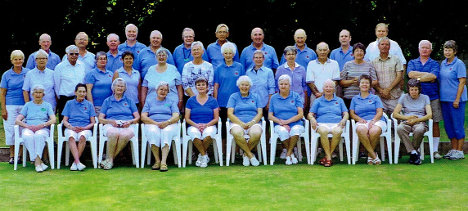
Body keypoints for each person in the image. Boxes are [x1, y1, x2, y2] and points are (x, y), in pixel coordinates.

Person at [407, 40, 442, 159]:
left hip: (432, 96)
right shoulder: (412, 62)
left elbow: (434, 76)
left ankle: (435, 150)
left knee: (435, 122)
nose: (425, 50)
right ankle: (418, 150)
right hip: (416, 98)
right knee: (418, 123)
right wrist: (426, 76)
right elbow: (410, 74)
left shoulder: (435, 63)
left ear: (431, 50)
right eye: (423, 47)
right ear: (419, 49)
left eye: (427, 48)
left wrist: (418, 79)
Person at [98, 78, 140, 169]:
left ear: (125, 89)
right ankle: (110, 160)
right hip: (111, 124)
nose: (120, 88)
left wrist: (130, 122)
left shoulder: (129, 101)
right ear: (113, 88)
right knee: (114, 133)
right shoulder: (107, 101)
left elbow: (137, 117)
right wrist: (110, 122)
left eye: (122, 86)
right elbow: (100, 118)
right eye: (118, 86)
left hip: (127, 124)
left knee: (124, 135)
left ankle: (109, 160)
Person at [15, 85, 56, 172]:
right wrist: (27, 126)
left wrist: (43, 125)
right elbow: (18, 120)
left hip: (42, 128)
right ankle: (39, 162)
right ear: (32, 94)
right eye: (36, 92)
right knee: (27, 136)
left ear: (43, 94)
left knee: (39, 136)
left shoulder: (47, 105)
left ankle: (36, 161)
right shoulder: (28, 105)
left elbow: (53, 119)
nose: (38, 94)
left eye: (40, 92)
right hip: (29, 128)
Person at [308, 79, 349, 167]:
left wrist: (344, 119)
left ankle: (327, 157)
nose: (328, 89)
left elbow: (346, 113)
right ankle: (329, 157)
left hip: (336, 123)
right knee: (323, 131)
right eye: (326, 87)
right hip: (322, 123)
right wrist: (312, 119)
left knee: (337, 132)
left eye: (331, 87)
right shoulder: (318, 101)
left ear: (334, 89)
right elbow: (310, 114)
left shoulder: (339, 100)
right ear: (323, 89)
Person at [141, 82, 180, 172]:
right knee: (153, 132)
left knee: (166, 132)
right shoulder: (149, 102)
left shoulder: (170, 102)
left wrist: (167, 122)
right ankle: (157, 161)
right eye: (161, 89)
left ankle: (163, 162)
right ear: (156, 90)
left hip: (169, 124)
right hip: (153, 124)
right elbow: (143, 117)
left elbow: (176, 116)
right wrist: (155, 123)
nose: (163, 91)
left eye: (166, 90)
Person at [349, 75, 386, 165]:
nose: (364, 85)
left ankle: (370, 155)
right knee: (361, 130)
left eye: (367, 83)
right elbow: (352, 113)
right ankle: (374, 155)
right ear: (359, 85)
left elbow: (380, 112)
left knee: (374, 131)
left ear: (370, 85)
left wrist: (373, 121)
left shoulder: (375, 97)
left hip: (377, 120)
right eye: (362, 82)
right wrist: (359, 119)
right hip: (362, 121)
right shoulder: (355, 99)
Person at [439, 40, 467, 160]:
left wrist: (457, 99)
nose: (447, 52)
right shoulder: (443, 63)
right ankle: (454, 149)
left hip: (456, 101)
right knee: (449, 126)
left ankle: (460, 151)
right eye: (446, 50)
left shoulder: (459, 63)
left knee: (457, 125)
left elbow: (462, 82)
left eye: (450, 50)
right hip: (444, 99)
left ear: (454, 51)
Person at [393, 79, 432, 165]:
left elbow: (429, 115)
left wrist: (416, 120)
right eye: (411, 89)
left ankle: (412, 153)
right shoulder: (404, 97)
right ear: (408, 90)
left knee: (419, 130)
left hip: (419, 121)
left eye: (416, 89)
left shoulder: (425, 98)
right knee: (399, 128)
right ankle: (414, 153)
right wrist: (407, 117)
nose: (414, 92)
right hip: (407, 121)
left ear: (419, 90)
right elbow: (395, 114)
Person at [1, 50, 30, 164]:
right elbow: (2, 93)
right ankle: (12, 155)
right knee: (11, 130)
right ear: (11, 60)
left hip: (24, 105)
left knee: (22, 130)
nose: (18, 61)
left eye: (20, 59)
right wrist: (3, 109)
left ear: (23, 60)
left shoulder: (28, 72)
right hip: (10, 105)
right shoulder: (6, 74)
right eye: (15, 59)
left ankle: (20, 155)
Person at [226, 76, 262, 166]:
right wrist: (241, 123)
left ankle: (245, 155)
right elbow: (230, 114)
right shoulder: (233, 97)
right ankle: (250, 155)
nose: (244, 87)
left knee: (257, 133)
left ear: (250, 86)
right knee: (237, 133)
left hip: (253, 123)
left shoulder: (256, 96)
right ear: (239, 86)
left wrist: (252, 122)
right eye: (242, 85)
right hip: (237, 123)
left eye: (247, 85)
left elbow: (260, 113)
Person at [269, 74, 304, 165]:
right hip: (279, 124)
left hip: (295, 123)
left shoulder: (295, 96)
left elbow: (300, 114)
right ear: (278, 85)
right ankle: (291, 154)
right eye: (281, 84)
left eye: (286, 84)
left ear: (290, 85)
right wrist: (282, 123)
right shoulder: (273, 98)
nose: (283, 86)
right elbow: (270, 116)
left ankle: (288, 154)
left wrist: (287, 122)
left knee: (295, 130)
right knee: (282, 131)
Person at [185, 77, 219, 168]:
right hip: (194, 125)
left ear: (207, 87)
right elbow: (187, 118)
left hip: (209, 125)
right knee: (195, 136)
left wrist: (206, 125)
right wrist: (196, 125)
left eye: (203, 84)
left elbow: (216, 118)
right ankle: (204, 155)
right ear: (195, 87)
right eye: (198, 85)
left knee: (208, 136)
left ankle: (201, 155)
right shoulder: (190, 100)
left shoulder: (213, 100)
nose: (201, 86)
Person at [61, 83, 96, 171]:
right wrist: (70, 127)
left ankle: (75, 162)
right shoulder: (69, 103)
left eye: (84, 92)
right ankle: (77, 162)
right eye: (80, 91)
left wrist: (85, 128)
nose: (82, 94)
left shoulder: (89, 105)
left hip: (85, 128)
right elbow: (64, 120)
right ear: (75, 92)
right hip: (71, 127)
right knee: (71, 137)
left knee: (82, 137)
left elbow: (93, 122)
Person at [213, 42, 245, 125]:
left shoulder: (240, 67)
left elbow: (244, 84)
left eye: (230, 53)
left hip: (237, 100)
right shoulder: (218, 68)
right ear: (223, 54)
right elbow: (216, 86)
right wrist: (216, 102)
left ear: (233, 54)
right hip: (222, 100)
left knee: (236, 124)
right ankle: (223, 138)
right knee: (223, 125)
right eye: (226, 53)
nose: (228, 55)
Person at [371, 37, 403, 115]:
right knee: (381, 120)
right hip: (380, 97)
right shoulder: (373, 62)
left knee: (396, 121)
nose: (384, 46)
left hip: (394, 96)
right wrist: (381, 91)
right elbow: (372, 79)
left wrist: (388, 90)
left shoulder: (396, 59)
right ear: (378, 46)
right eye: (382, 44)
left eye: (387, 44)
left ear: (389, 46)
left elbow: (399, 76)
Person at [339, 42, 378, 107]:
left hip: (366, 98)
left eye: (361, 51)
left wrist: (364, 82)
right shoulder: (347, 64)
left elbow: (375, 81)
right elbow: (341, 82)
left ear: (364, 53)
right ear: (353, 54)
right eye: (357, 51)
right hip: (349, 97)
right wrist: (352, 81)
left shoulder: (369, 65)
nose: (359, 53)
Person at [54, 45, 86, 121]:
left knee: (78, 120)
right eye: (71, 54)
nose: (74, 56)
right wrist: (60, 98)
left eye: (76, 54)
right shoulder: (60, 67)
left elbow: (83, 81)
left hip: (79, 98)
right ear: (66, 55)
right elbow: (57, 85)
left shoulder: (82, 65)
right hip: (65, 99)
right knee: (64, 122)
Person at [245, 50, 275, 119]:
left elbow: (272, 88)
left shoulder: (269, 72)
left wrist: (269, 103)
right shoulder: (248, 72)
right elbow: (246, 88)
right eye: (256, 57)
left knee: (266, 124)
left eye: (260, 57)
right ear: (253, 59)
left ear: (263, 59)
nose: (258, 59)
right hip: (251, 103)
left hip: (264, 102)